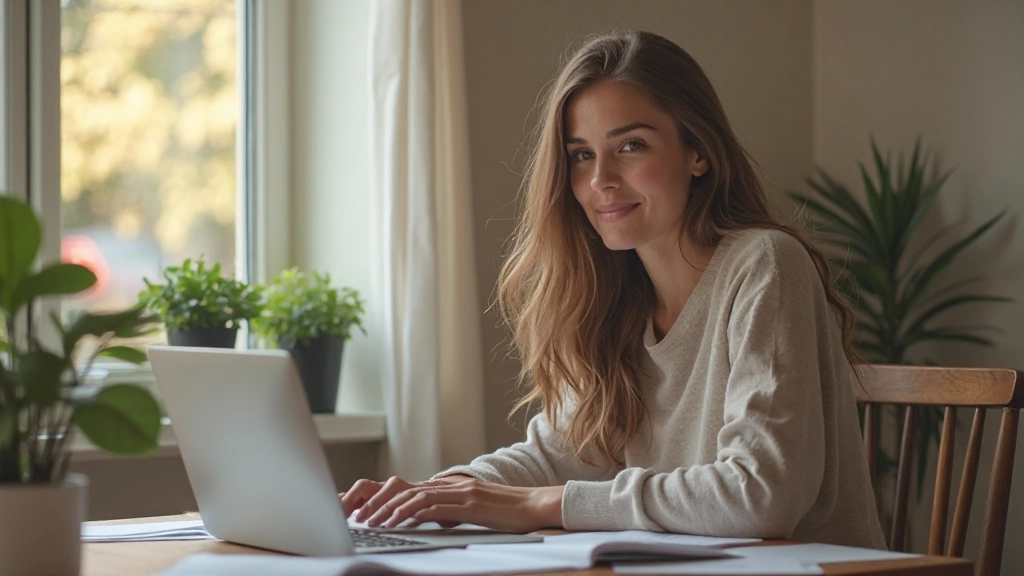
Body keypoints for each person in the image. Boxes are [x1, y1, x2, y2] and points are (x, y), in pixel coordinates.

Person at [340, 30, 886, 549]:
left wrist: (541, 505)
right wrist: (441, 493)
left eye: (630, 146)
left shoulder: (765, 264)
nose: (600, 178)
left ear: (698, 152)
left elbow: (759, 495)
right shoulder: (615, 298)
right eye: (581, 154)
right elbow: (556, 455)